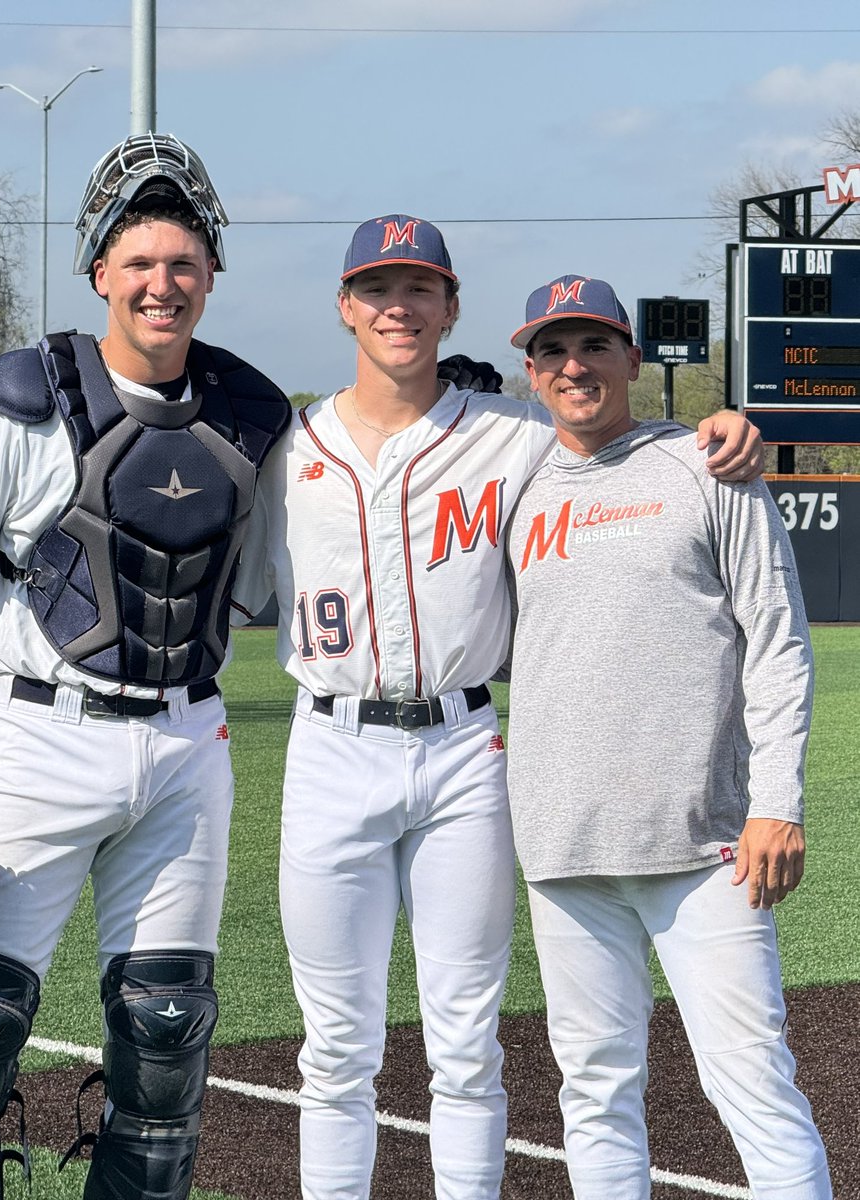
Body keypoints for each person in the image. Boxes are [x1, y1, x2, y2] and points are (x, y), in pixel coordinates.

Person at [230, 218, 763, 1200]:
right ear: (345, 306)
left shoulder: (512, 434)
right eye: (377, 288)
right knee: (334, 1046)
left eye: (418, 287)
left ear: (450, 307)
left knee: (467, 1043)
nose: (398, 307)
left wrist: (721, 426)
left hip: (463, 749)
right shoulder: (284, 450)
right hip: (329, 749)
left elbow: (618, 436)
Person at [0, 132, 291, 1200]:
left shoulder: (255, 416)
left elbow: (291, 571)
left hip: (187, 744)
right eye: (138, 262)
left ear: (211, 274)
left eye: (182, 263)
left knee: (167, 1031)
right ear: (100, 271)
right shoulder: (28, 394)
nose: (161, 284)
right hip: (42, 737)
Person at [505, 275, 833, 1199]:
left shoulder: (707, 465)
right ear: (531, 373)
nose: (575, 367)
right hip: (564, 848)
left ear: (632, 359)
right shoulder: (517, 486)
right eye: (553, 351)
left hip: (707, 846)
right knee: (595, 1096)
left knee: (754, 1090)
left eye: (594, 346)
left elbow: (778, 642)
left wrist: (778, 803)